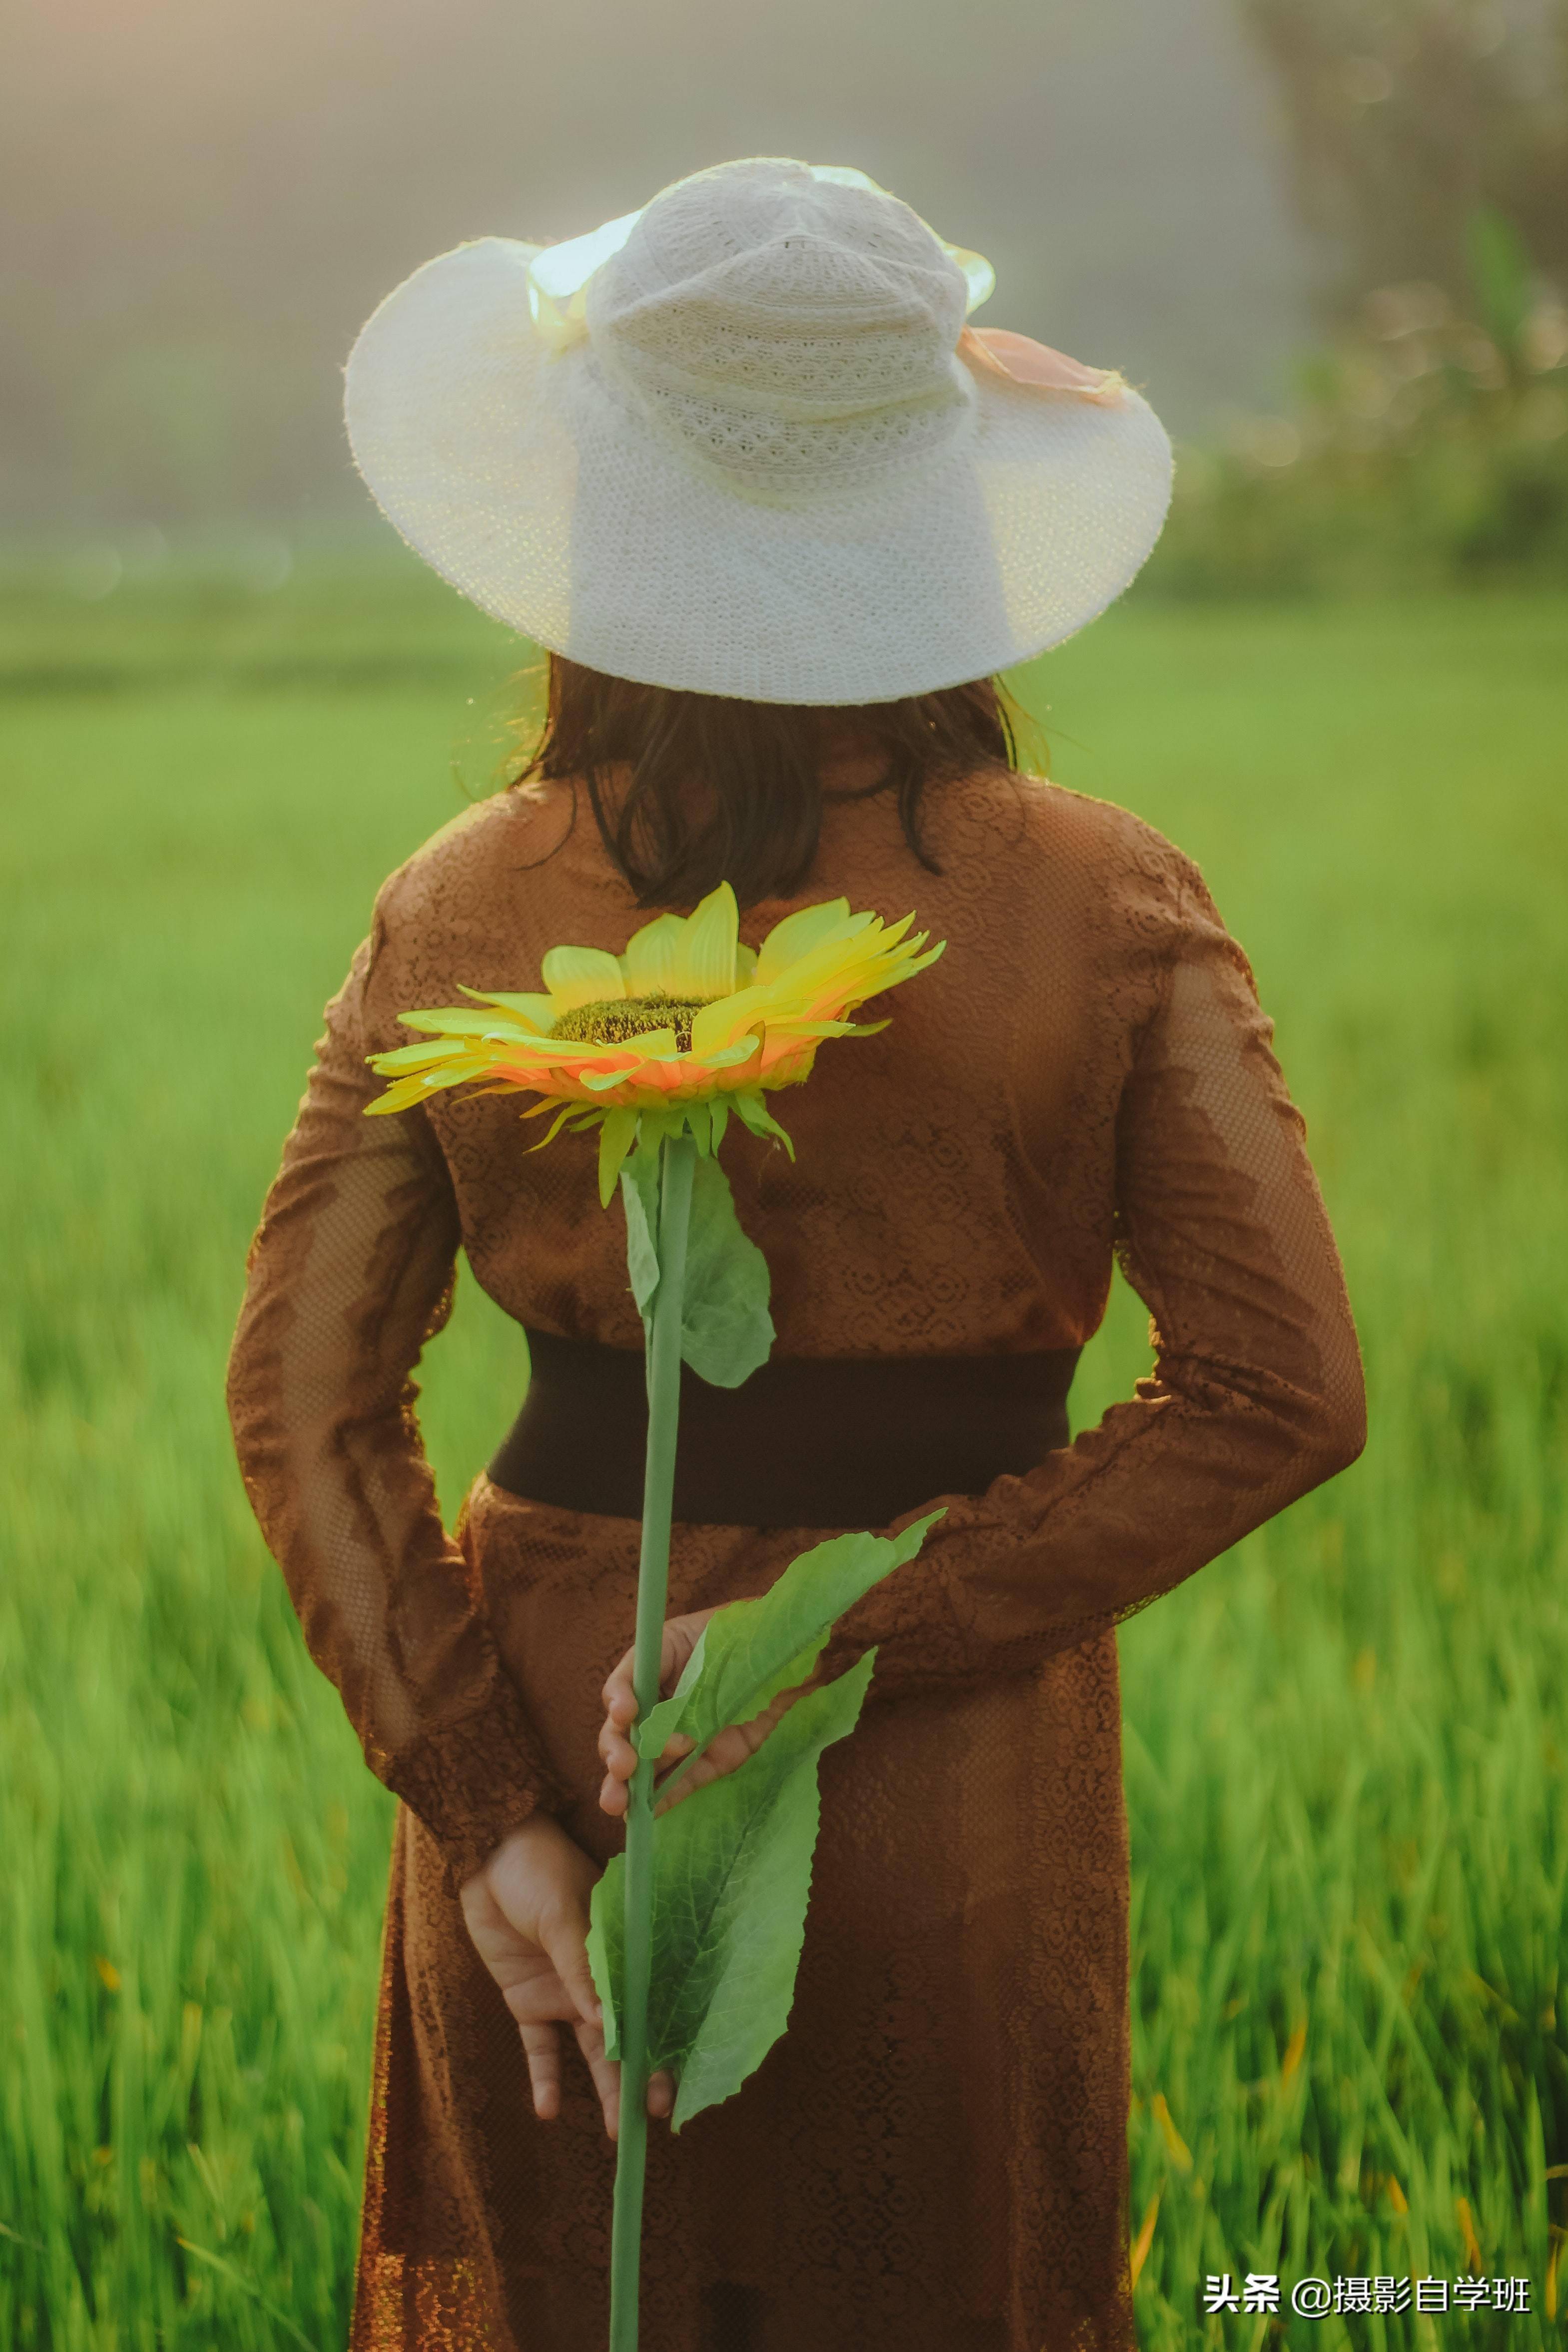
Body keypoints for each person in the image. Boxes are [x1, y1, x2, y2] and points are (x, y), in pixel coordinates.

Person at [226, 158, 1366, 2352]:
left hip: (549, 1718)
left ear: (595, 515)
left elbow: (299, 1393)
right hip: (938, 1766)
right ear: (939, 514)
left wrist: (488, 1815)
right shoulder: (1098, 898)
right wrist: (878, 1626)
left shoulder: (457, 897)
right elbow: (1280, 1381)